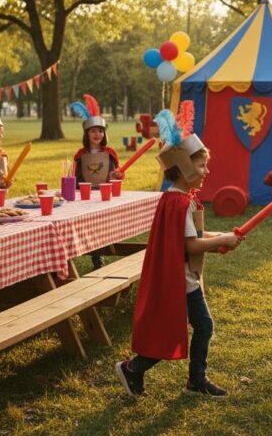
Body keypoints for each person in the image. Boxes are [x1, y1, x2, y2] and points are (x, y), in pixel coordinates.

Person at [116, 105, 239, 397]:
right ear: (184, 167)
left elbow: (192, 236)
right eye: (201, 165)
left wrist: (221, 237)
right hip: (181, 279)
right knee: (200, 326)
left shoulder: (178, 198)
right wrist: (221, 240)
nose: (207, 171)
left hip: (181, 275)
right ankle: (156, 373)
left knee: (179, 328)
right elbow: (191, 245)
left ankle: (144, 371)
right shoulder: (180, 203)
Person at [70, 94, 123, 269]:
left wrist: (116, 176)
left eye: (100, 131)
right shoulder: (80, 155)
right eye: (93, 131)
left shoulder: (110, 153)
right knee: (89, 227)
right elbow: (76, 176)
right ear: (87, 133)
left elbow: (116, 174)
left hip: (105, 195)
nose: (97, 134)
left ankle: (100, 255)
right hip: (85, 196)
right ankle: (92, 256)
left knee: (101, 226)